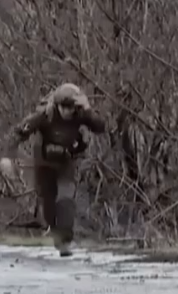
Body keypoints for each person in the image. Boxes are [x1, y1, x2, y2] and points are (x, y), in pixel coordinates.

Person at [7, 83, 106, 256]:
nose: (69, 111)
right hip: (44, 164)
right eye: (65, 107)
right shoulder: (44, 116)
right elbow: (19, 132)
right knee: (49, 209)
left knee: (66, 199)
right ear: (57, 105)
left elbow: (100, 127)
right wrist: (7, 157)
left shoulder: (80, 115)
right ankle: (55, 233)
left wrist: (88, 109)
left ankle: (65, 242)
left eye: (72, 107)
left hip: (66, 163)